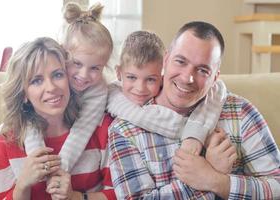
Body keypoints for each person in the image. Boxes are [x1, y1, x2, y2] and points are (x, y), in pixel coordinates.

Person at [108, 21, 280, 199]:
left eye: (203, 70)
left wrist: (218, 181)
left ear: (215, 77)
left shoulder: (240, 112)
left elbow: (277, 185)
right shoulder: (125, 130)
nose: (187, 78)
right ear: (166, 60)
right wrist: (205, 174)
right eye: (181, 61)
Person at [0, 37, 115, 200]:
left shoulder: (103, 128)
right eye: (37, 80)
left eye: (57, 75)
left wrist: (75, 197)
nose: (51, 88)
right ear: (24, 94)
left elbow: (118, 194)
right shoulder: (5, 137)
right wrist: (22, 186)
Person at [24, 2, 113, 174]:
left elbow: (82, 130)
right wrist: (40, 163)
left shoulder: (98, 90)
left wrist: (58, 171)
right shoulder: (51, 82)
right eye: (77, 63)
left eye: (95, 68)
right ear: (63, 55)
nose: (84, 75)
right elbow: (29, 117)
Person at [107, 30, 229, 156]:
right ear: (118, 73)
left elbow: (217, 87)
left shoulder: (173, 89)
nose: (140, 88)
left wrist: (195, 133)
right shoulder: (113, 99)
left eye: (150, 79)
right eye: (132, 77)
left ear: (162, 75)